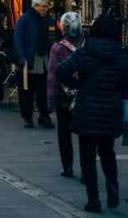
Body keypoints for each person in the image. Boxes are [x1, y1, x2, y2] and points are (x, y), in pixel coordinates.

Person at [57, 14, 128, 213]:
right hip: (111, 109)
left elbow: (62, 71)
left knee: (87, 156)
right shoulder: (121, 55)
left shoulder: (84, 52)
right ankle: (112, 184)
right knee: (107, 151)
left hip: (87, 108)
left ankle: (93, 199)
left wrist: (78, 84)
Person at [47, 12, 83, 179]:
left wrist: (51, 101)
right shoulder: (86, 46)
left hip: (64, 97)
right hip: (83, 96)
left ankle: (67, 167)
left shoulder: (57, 48)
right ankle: (86, 169)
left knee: (64, 134)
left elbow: (53, 76)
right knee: (85, 136)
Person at [13, 0, 55, 129]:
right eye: (42, 6)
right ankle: (28, 117)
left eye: (46, 6)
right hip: (30, 59)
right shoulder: (25, 19)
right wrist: (21, 57)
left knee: (43, 90)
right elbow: (18, 39)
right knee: (27, 91)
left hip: (43, 58)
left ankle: (44, 115)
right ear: (35, 6)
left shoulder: (48, 20)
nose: (44, 9)